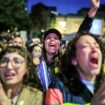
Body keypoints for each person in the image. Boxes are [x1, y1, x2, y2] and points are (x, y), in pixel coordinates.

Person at [26, 0, 100, 92]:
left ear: (60, 44)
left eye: (56, 38)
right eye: (48, 38)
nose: (52, 39)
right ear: (43, 43)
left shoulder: (65, 61)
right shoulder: (35, 61)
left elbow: (80, 36)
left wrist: (92, 11)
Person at [45, 31, 105, 105]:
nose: (94, 49)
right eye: (85, 46)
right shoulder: (58, 88)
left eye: (97, 46)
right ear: (74, 60)